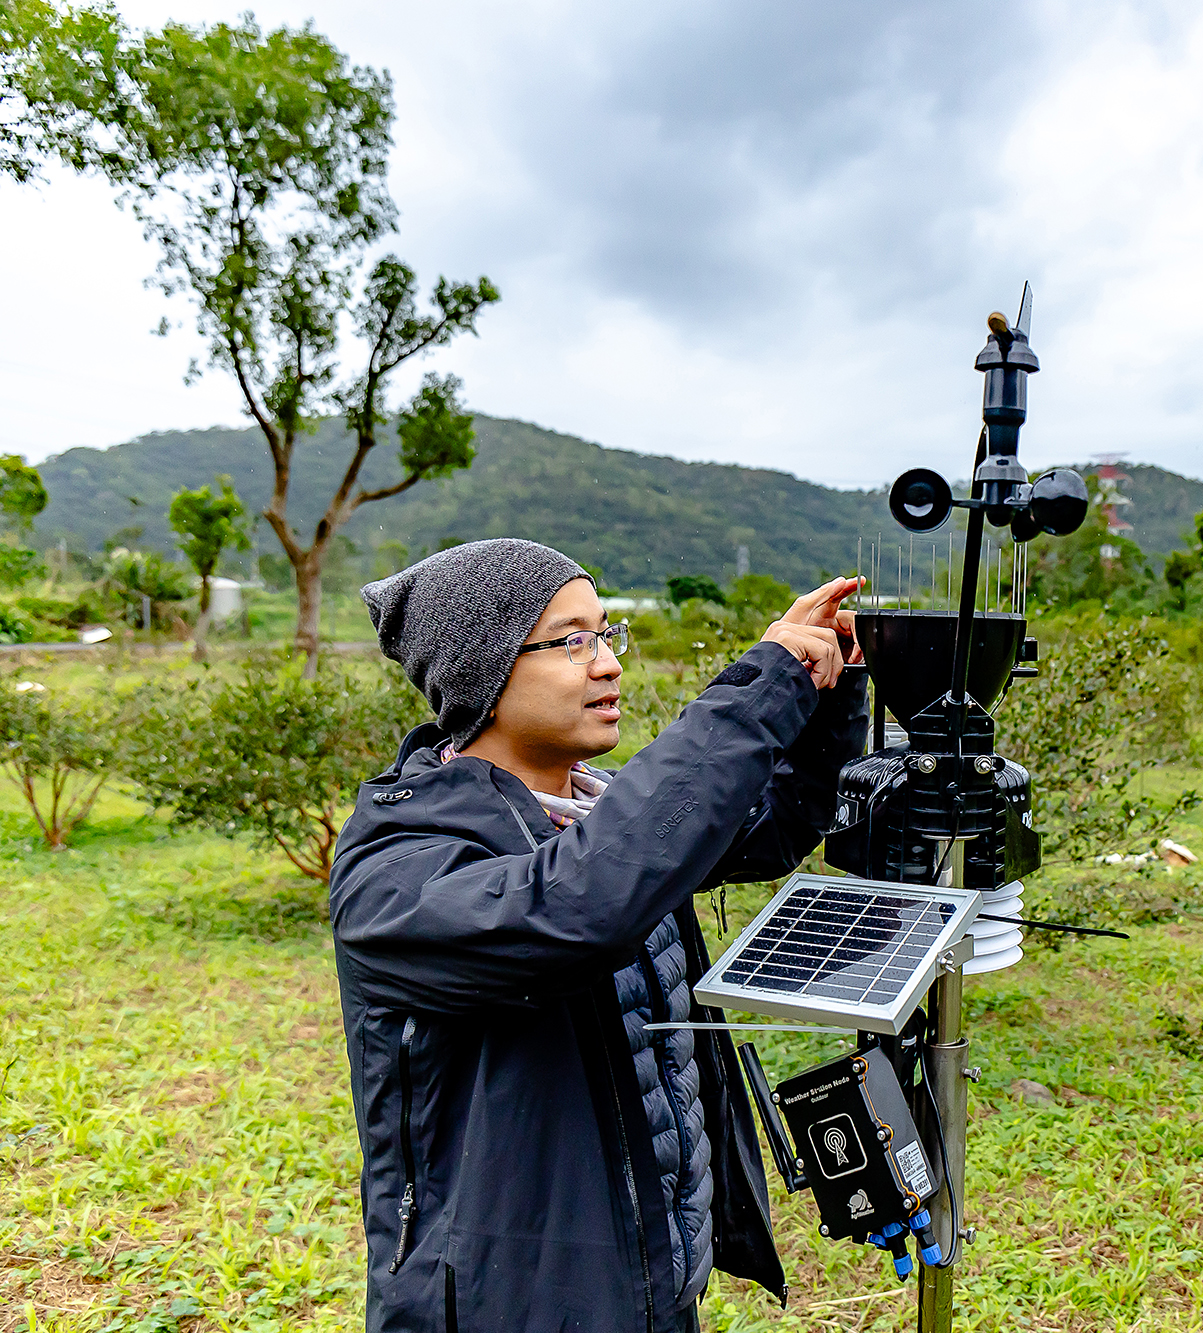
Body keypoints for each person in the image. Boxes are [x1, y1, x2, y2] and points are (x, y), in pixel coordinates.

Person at [329, 538, 867, 1333]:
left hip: (649, 1275)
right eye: (572, 641)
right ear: (483, 671)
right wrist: (759, 686)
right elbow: (579, 904)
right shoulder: (397, 865)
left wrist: (829, 690)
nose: (609, 664)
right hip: (508, 1306)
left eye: (607, 634)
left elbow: (769, 823)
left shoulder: (597, 808)